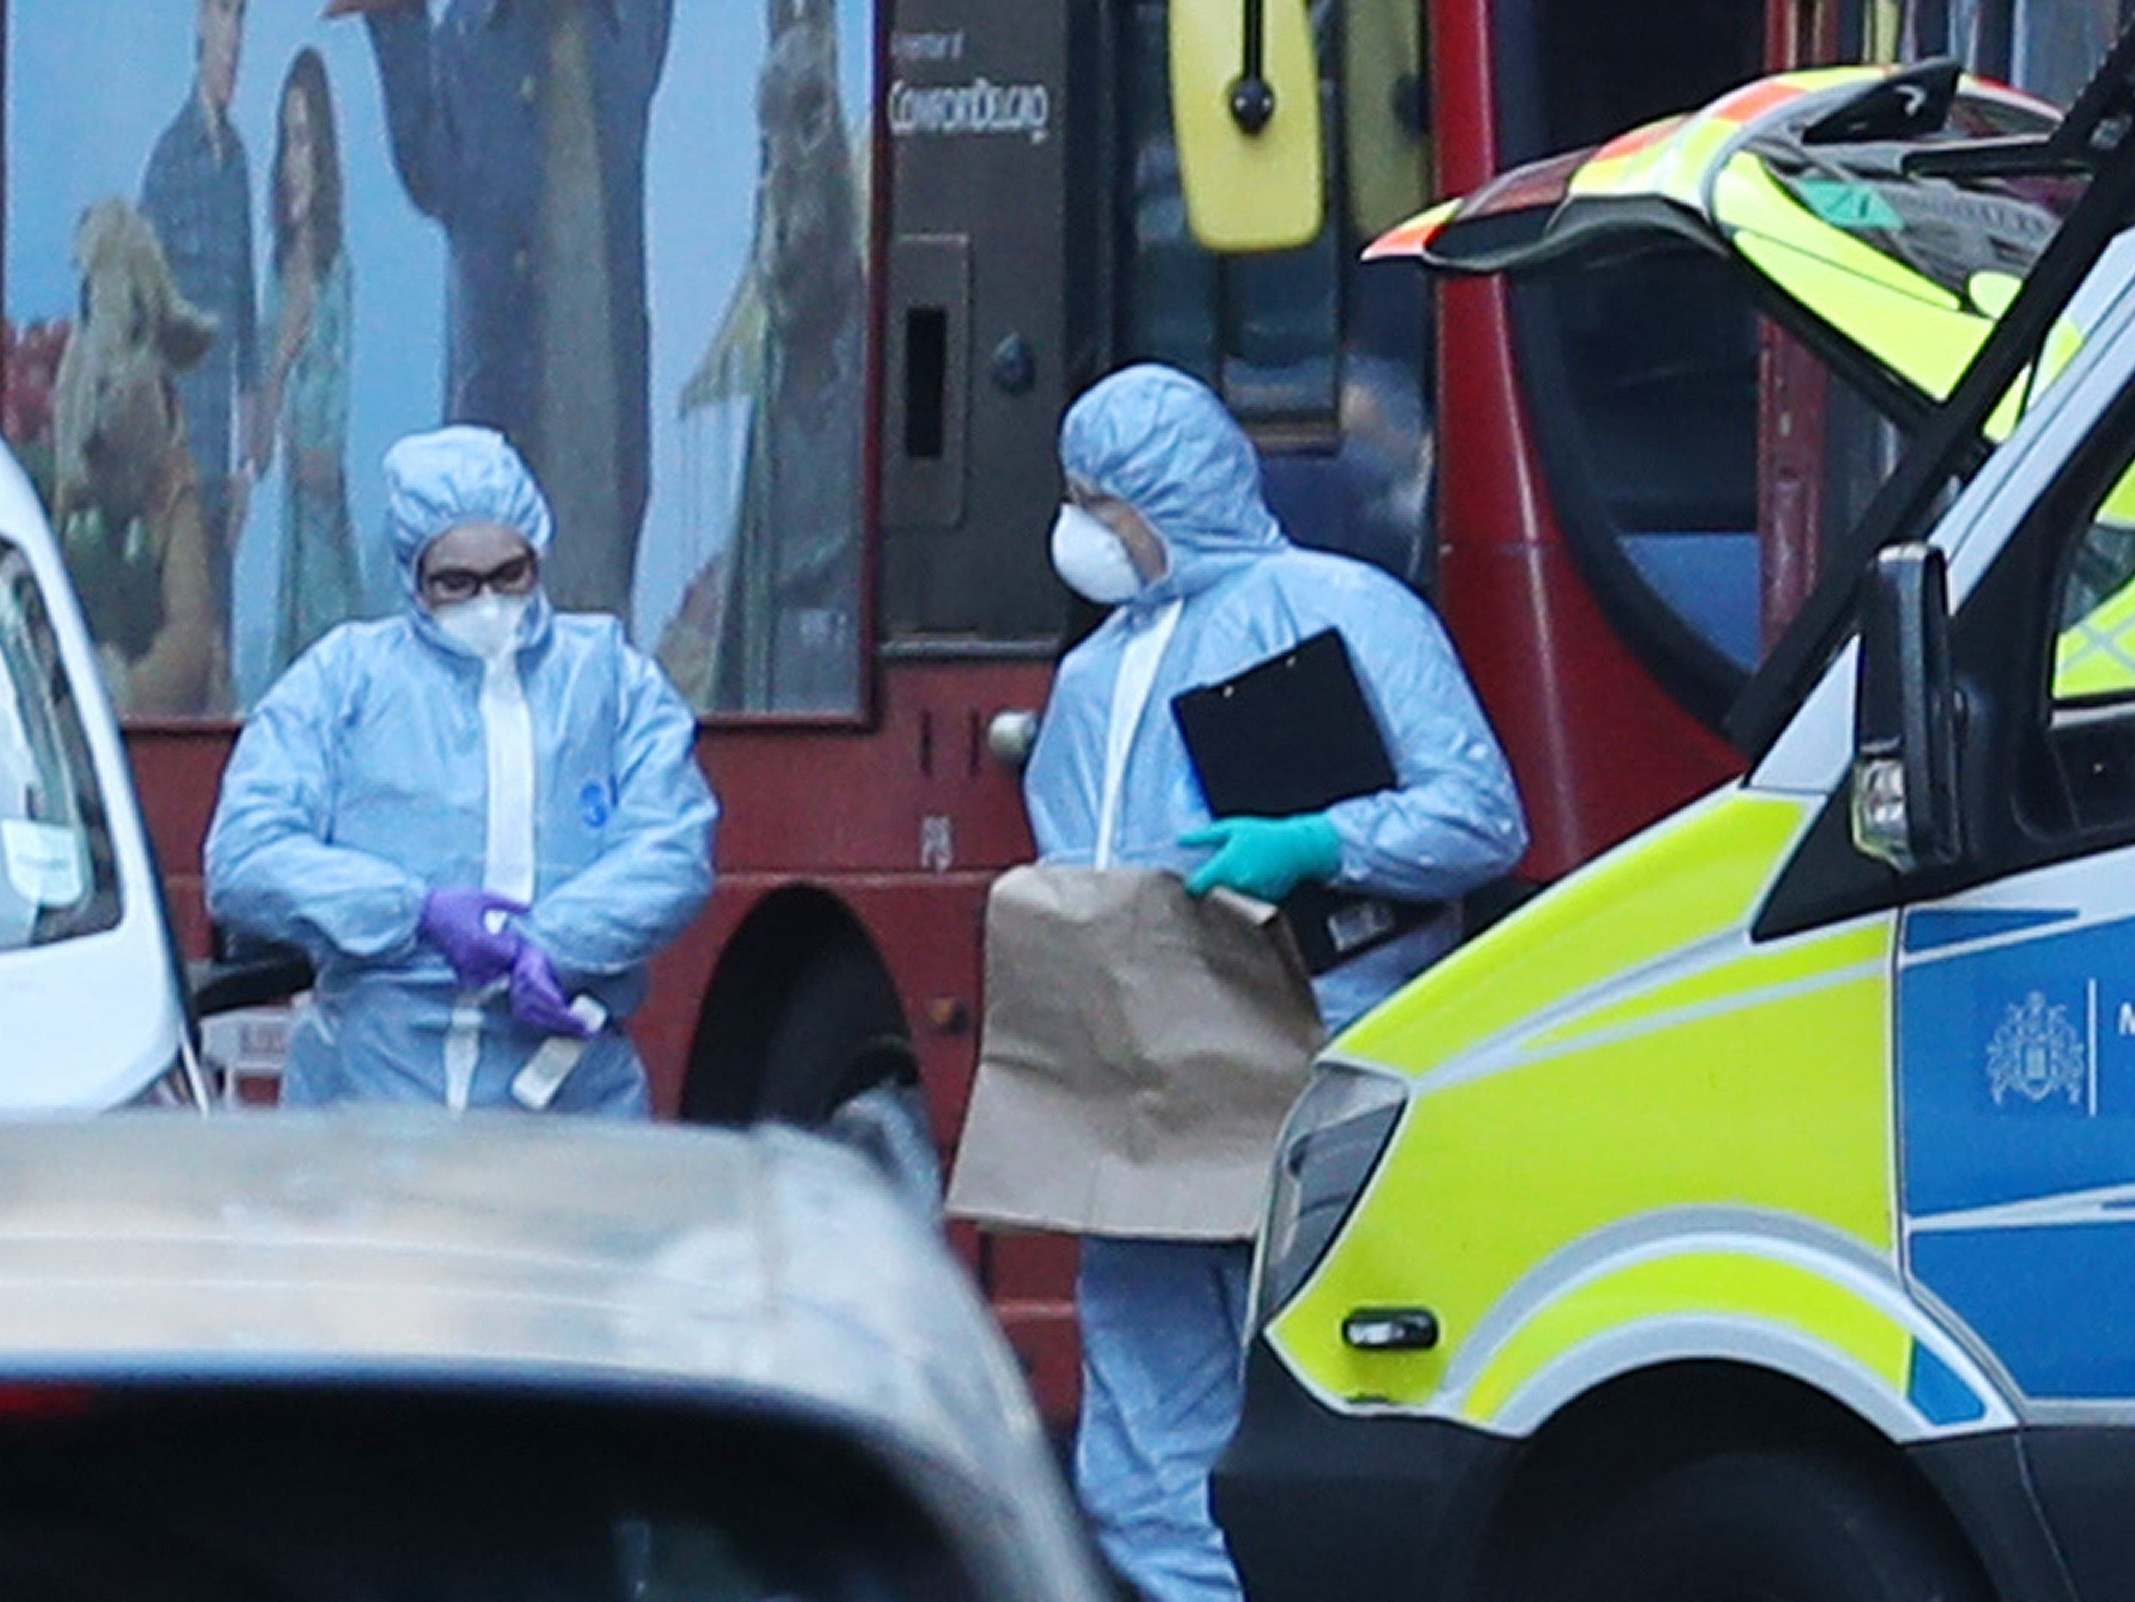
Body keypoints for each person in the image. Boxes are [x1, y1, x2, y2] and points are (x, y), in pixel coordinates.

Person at [1024, 364, 1527, 1602]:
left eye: (1100, 501)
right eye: (1074, 499)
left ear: (1162, 495)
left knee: (1329, 1410)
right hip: (1141, 1091)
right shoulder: (1093, 678)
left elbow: (1478, 818)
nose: (1083, 530)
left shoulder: (1340, 610)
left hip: (1320, 1075)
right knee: (1146, 1428)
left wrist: (1317, 844)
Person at [205, 426, 716, 1114]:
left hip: (565, 1089)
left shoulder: (609, 678)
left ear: (538, 554)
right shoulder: (343, 681)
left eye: (511, 575)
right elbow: (245, 857)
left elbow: (673, 851)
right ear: (411, 576)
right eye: (456, 583)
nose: (488, 604)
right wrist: (415, 914)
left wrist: (557, 947)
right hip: (374, 1090)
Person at [341, 0, 674, 624]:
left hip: (602, 433)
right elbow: (433, 176)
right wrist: (398, 29)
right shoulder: (476, 32)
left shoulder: (630, 22)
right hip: (500, 421)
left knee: (594, 616)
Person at [141, 0, 258, 641]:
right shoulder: (170, 161)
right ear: (200, 35)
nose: (230, 65)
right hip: (181, 444)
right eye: (222, 51)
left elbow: (243, 304)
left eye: (238, 55)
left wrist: (245, 461)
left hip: (223, 455)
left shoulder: (236, 158)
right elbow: (143, 313)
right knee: (186, 625)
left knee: (225, 630)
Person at [254, 48, 363, 678]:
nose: (294, 163)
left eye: (304, 140)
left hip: (324, 542)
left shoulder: (335, 273)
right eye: (286, 141)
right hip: (286, 546)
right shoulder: (277, 274)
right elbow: (263, 449)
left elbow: (325, 463)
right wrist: (281, 354)